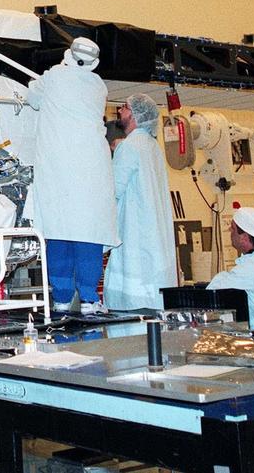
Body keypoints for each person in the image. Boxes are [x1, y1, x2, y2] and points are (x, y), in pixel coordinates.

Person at [22, 37, 118, 315]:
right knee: (88, 235)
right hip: (92, 171)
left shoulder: (53, 77)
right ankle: (89, 299)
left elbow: (32, 98)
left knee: (58, 233)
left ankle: (62, 298)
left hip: (58, 172)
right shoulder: (98, 86)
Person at [103, 94, 178, 311]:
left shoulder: (130, 147)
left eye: (124, 108)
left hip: (135, 248)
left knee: (131, 318)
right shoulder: (152, 147)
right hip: (154, 252)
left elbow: (112, 192)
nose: (120, 111)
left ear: (136, 115)